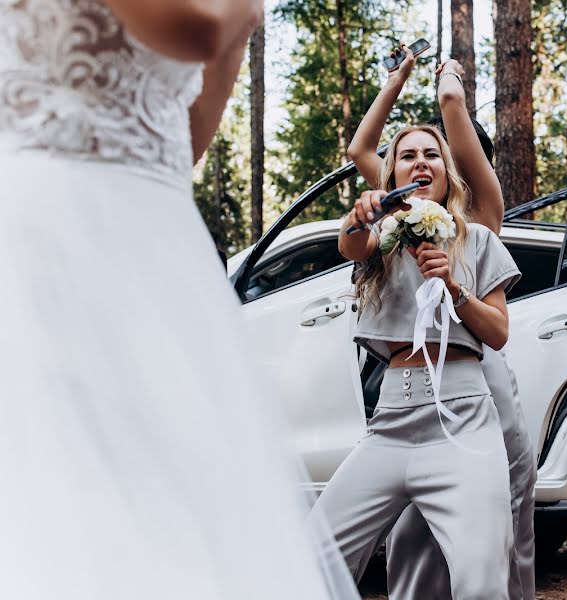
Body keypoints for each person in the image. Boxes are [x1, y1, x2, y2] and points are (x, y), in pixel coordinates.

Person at [0, 1, 357, 599]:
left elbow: (184, 137)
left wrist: (244, 32)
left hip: (153, 240)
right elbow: (197, 22)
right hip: (63, 230)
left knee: (157, 513)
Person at [346, 48, 536, 599]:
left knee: (498, 517)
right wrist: (394, 81)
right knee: (413, 524)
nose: (424, 163)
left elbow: (451, 100)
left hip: (480, 381)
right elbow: (362, 150)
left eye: (442, 151)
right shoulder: (403, 202)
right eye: (413, 155)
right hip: (412, 390)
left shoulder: (481, 215)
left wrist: (448, 76)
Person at [310, 113, 520, 597]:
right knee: (315, 554)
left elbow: (499, 333)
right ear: (393, 175)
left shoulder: (477, 239)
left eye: (431, 154)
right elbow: (350, 245)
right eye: (407, 155)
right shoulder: (380, 239)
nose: (420, 162)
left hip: (462, 423)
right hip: (391, 424)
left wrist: (453, 288)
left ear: (446, 172)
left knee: (481, 576)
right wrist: (358, 215)